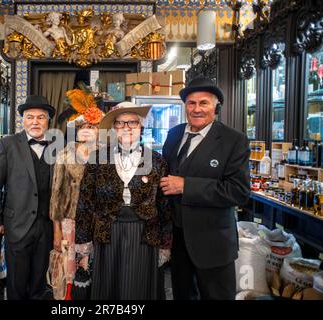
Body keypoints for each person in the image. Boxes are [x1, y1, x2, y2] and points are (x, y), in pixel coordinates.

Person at [160, 77, 251, 300]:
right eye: (191, 103)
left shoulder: (234, 140)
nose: (197, 109)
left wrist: (186, 186)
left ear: (215, 105)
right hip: (179, 241)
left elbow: (237, 191)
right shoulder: (174, 135)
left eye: (204, 103)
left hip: (213, 244)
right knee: (182, 295)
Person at [75, 101, 172, 300]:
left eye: (132, 123)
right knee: (108, 290)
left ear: (141, 126)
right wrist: (83, 242)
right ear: (113, 128)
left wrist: (165, 244)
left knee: (138, 289)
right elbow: (85, 201)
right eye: (120, 123)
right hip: (107, 232)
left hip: (144, 235)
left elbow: (164, 206)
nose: (126, 127)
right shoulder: (97, 157)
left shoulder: (158, 161)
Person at [0, 95, 56, 300]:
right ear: (22, 120)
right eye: (30, 117)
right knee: (16, 283)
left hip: (46, 226)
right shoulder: (7, 144)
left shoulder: (58, 146)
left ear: (48, 121)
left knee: (39, 283)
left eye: (40, 117)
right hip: (17, 225)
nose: (35, 122)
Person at [50, 98, 104, 300]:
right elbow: (56, 196)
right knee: (69, 268)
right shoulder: (65, 154)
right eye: (84, 126)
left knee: (95, 269)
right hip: (70, 222)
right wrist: (56, 231)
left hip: (98, 223)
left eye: (93, 126)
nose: (88, 129)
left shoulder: (106, 154)